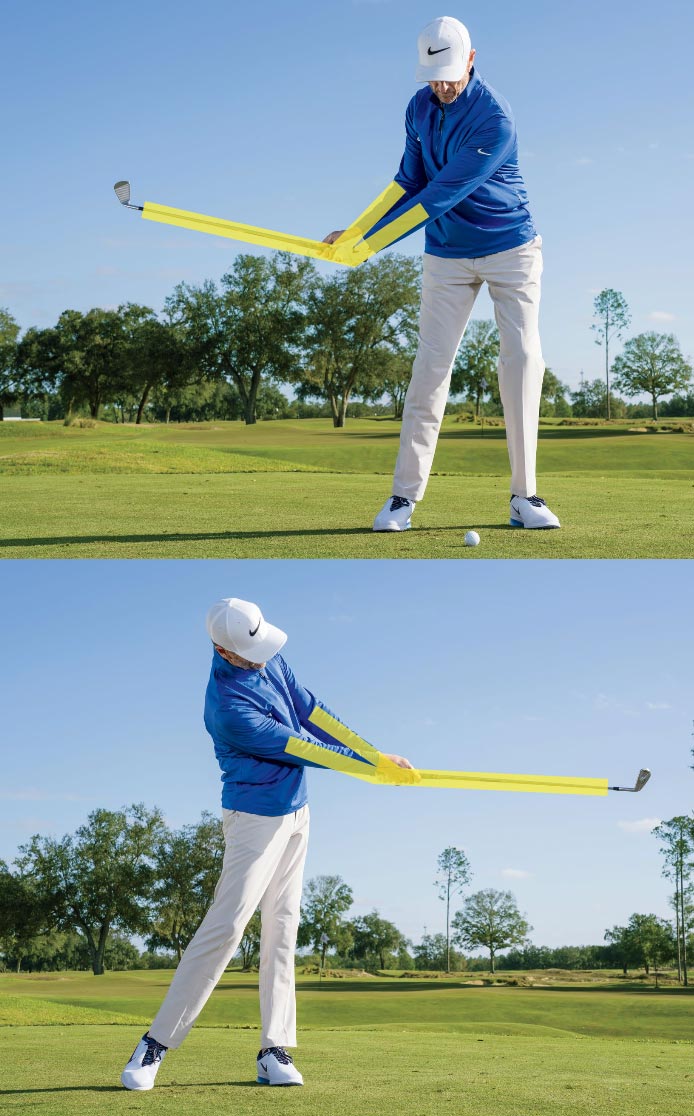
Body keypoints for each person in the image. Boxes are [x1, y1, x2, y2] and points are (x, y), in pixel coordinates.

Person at [120, 597, 413, 1091]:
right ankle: (154, 1044)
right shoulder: (228, 708)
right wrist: (370, 769)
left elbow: (312, 711)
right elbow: (302, 747)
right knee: (226, 929)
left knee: (283, 928)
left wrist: (372, 753)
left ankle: (273, 1049)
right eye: (249, 653)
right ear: (224, 651)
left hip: (297, 814)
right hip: (254, 820)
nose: (261, 657)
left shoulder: (267, 656)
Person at [324, 16, 560, 532]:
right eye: (433, 77)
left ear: (472, 61)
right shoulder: (418, 107)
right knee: (430, 369)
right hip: (446, 254)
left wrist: (371, 245)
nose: (442, 86)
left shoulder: (494, 119)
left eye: (451, 74)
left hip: (510, 248)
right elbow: (407, 181)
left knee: (522, 360)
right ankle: (403, 499)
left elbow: (439, 195)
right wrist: (356, 232)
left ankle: (526, 497)